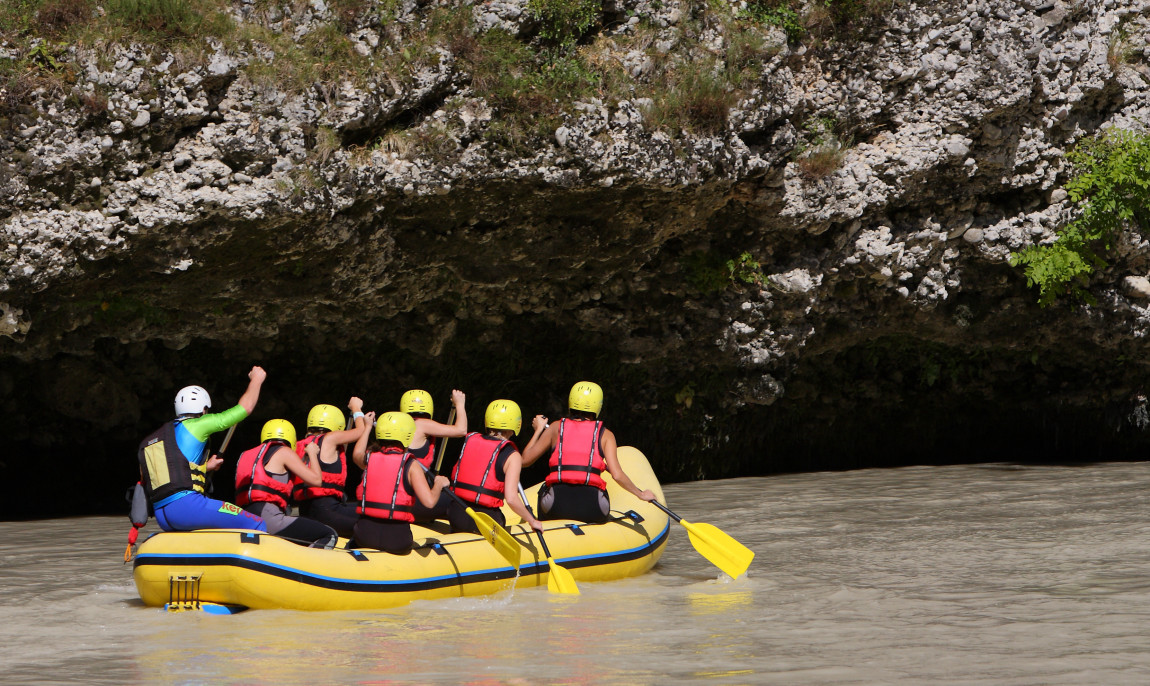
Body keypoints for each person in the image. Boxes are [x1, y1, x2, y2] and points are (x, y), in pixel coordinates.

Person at [138, 366, 268, 532]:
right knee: (256, 523)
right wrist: (256, 379)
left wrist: (206, 468)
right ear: (203, 409)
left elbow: (174, 473)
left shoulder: (159, 438)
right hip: (187, 507)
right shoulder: (198, 424)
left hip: (163, 515)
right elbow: (245, 409)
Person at [521, 381, 657, 523]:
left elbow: (524, 461)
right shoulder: (606, 435)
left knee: (544, 488)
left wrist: (538, 430)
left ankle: (544, 527)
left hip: (555, 506)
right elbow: (617, 475)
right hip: (593, 508)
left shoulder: (555, 428)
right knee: (602, 491)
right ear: (598, 406)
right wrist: (640, 494)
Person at [352, 411, 450, 554]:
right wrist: (439, 484)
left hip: (364, 536)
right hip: (396, 540)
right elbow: (429, 502)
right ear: (408, 436)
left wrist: (367, 428)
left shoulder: (369, 458)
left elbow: (356, 454)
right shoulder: (411, 464)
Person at [235, 419, 338, 547]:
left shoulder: (246, 455)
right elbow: (316, 480)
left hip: (244, 517)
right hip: (269, 518)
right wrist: (312, 454)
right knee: (328, 534)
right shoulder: (284, 451)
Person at [447, 399, 542, 535]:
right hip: (485, 521)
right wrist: (532, 520)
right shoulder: (512, 456)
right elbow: (511, 499)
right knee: (501, 518)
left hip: (456, 514)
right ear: (516, 424)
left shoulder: (471, 441)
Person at [292, 399, 367, 538]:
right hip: (327, 511)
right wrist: (357, 408)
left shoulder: (298, 445)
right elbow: (360, 431)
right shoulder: (331, 438)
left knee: (357, 507)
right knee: (371, 514)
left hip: (306, 511)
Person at [401, 388, 467, 521]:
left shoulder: (398, 426)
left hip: (400, 500)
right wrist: (460, 404)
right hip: (414, 505)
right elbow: (461, 430)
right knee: (460, 499)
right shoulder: (422, 424)